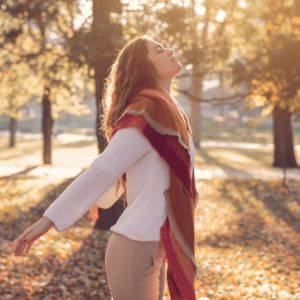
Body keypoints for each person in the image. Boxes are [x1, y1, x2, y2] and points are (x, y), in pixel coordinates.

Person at [14, 34, 199, 300]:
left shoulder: (171, 113)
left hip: (154, 247)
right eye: (159, 50)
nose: (170, 50)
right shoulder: (146, 113)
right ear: (144, 66)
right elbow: (103, 171)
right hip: (136, 249)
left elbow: (125, 186)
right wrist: (49, 219)